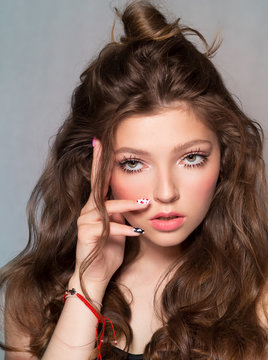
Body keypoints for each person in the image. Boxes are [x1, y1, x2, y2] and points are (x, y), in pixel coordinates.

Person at [1, 1, 268, 359]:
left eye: (192, 158)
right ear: (95, 167)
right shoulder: (32, 295)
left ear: (225, 158)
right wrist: (88, 282)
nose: (166, 193)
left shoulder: (260, 300)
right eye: (133, 163)